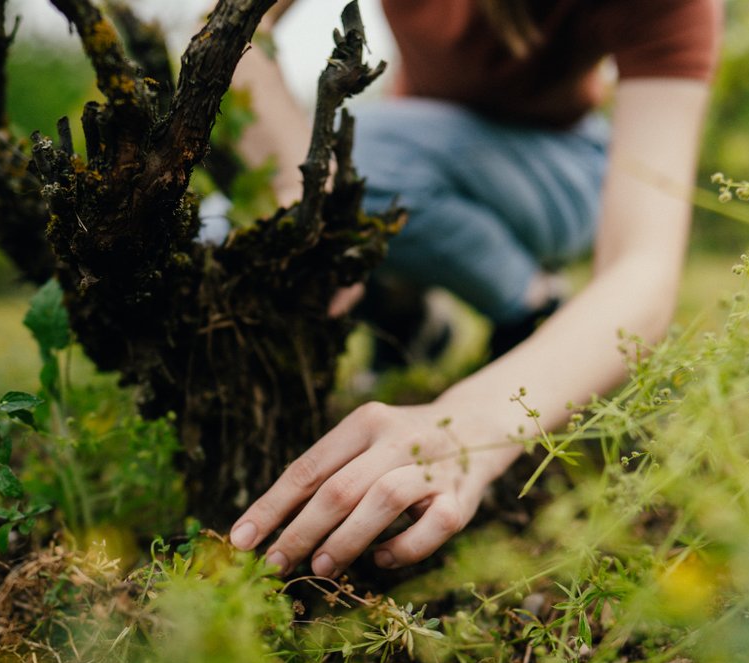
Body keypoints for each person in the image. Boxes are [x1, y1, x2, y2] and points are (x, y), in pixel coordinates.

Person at [225, 0, 722, 579]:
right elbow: (229, 29)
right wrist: (298, 182)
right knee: (221, 226)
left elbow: (642, 268)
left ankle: (530, 302)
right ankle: (411, 317)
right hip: (419, 148)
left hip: (561, 171)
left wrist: (467, 425)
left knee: (367, 159)